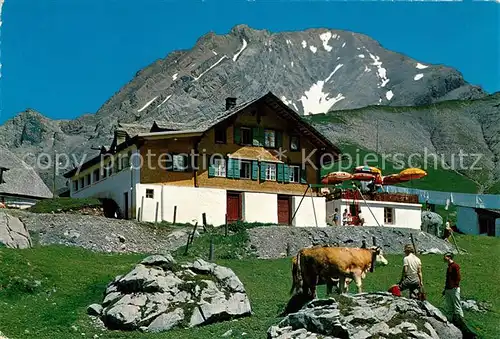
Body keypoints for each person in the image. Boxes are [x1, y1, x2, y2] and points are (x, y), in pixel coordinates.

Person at [442, 252, 464, 323]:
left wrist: (455, 285)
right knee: (449, 306)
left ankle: (461, 320)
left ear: (449, 257)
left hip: (454, 288)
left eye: (445, 256)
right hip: (448, 289)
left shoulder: (455, 266)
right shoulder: (449, 266)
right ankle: (451, 320)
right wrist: (445, 289)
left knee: (457, 305)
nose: (443, 258)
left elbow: (458, 277)